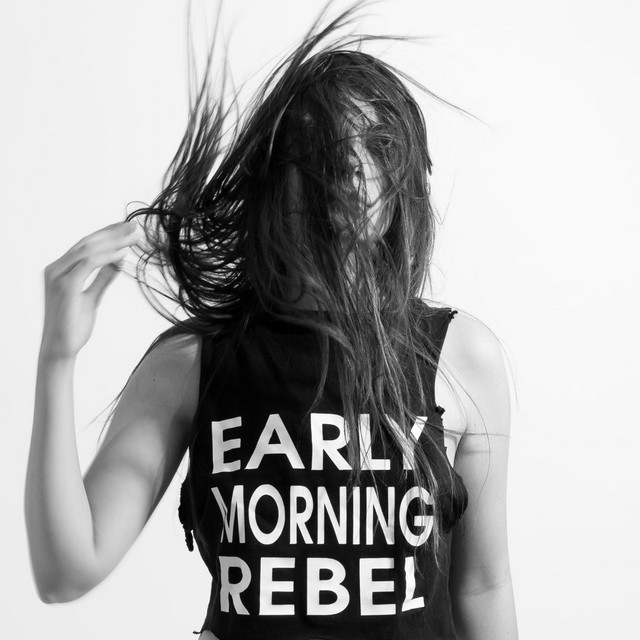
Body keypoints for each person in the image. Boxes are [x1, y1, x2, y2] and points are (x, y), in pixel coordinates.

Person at [24, 4, 518, 639]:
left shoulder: (459, 355)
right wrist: (56, 359)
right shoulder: (193, 361)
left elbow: (483, 585)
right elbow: (67, 570)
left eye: (377, 145)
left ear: (405, 180)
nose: (352, 169)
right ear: (276, 174)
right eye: (323, 146)